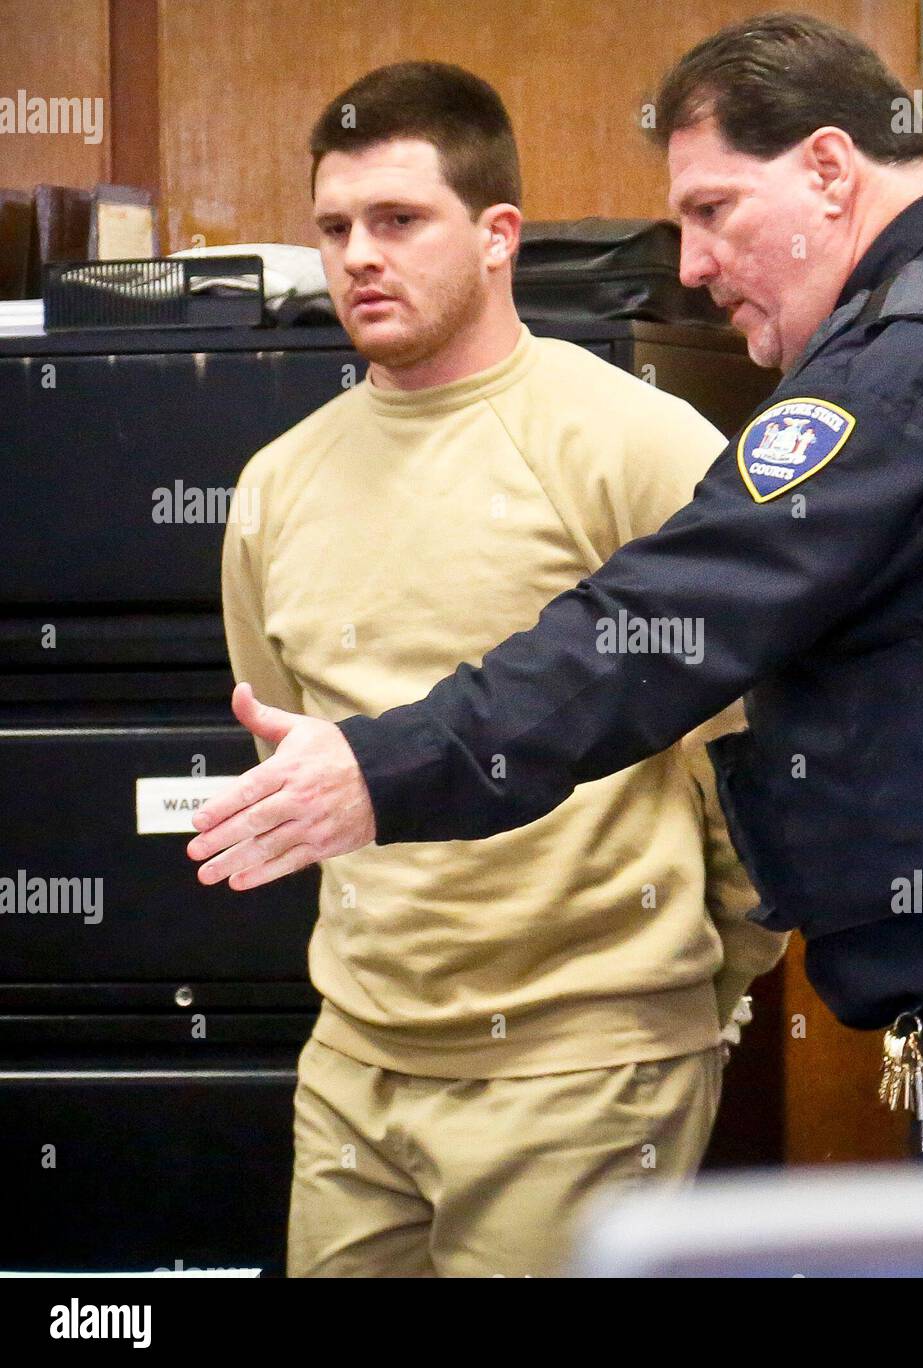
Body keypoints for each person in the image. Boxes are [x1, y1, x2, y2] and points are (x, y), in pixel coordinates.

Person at [190, 15, 923, 1161]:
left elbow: (655, 626)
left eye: (713, 210)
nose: (692, 266)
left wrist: (381, 766)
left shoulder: (906, 370)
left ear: (831, 170)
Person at [218, 60, 784, 1276]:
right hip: (358, 1058)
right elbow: (296, 754)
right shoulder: (273, 485)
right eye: (335, 227)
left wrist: (687, 989)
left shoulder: (635, 443)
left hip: (583, 1066)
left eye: (399, 221)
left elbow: (751, 749)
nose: (359, 255)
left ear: (497, 237)